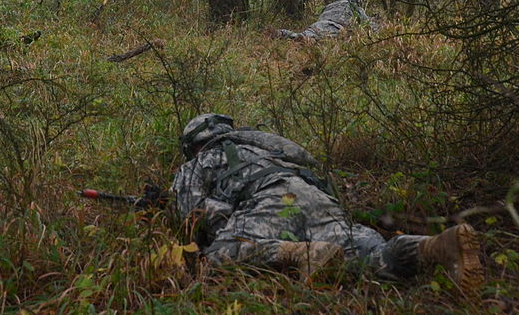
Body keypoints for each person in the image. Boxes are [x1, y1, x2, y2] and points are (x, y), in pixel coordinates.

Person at [171, 113, 483, 295]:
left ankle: (300, 253)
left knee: (217, 258)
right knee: (374, 259)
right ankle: (431, 246)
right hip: (317, 199)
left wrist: (229, 222)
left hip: (268, 201)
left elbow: (193, 213)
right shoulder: (264, 148)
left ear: (192, 147)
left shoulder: (201, 162)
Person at [276, 0, 375, 40]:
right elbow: (368, 25)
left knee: (303, 37)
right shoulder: (354, 7)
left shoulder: (329, 6)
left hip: (317, 25)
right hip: (336, 28)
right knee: (312, 41)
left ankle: (282, 33)